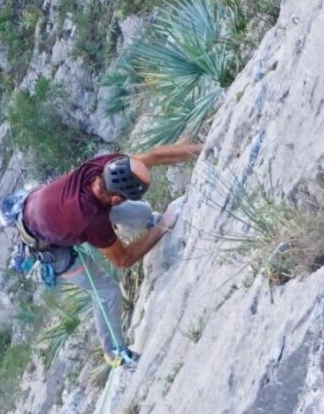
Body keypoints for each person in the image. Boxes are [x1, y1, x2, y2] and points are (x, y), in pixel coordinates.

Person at [16, 143, 200, 367]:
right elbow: (124, 260)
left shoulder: (107, 167)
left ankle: (149, 221)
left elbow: (153, 156)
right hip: (49, 247)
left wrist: (201, 149)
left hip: (46, 209)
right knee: (107, 291)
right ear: (115, 199)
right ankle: (114, 352)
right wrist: (163, 226)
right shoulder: (90, 218)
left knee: (141, 212)